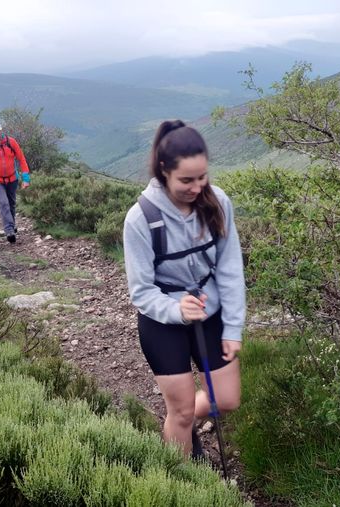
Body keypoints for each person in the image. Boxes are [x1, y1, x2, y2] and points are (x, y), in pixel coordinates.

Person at [122, 120, 245, 459]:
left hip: (211, 313)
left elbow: (230, 269)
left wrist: (233, 328)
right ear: (164, 170)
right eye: (186, 181)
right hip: (162, 322)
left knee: (227, 399)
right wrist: (176, 310)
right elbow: (141, 291)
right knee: (181, 411)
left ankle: (185, 421)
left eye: (202, 177)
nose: (197, 187)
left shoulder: (217, 202)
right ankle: (181, 474)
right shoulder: (140, 219)